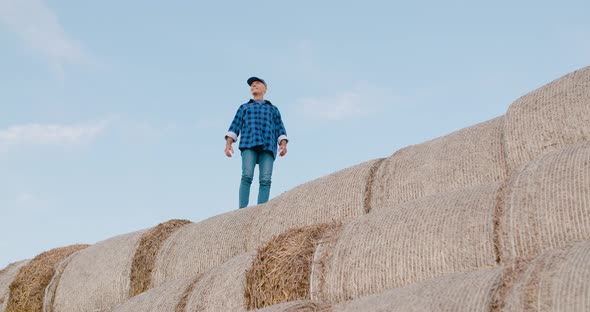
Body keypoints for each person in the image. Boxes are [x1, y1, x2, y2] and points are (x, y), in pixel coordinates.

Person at [225, 77, 289, 208]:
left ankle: (261, 209)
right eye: (252, 85)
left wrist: (283, 144)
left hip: (268, 145)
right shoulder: (244, 107)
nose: (253, 86)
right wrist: (229, 144)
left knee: (265, 179)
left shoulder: (273, 109)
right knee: (247, 176)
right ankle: (242, 209)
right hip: (249, 143)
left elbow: (279, 127)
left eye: (257, 84)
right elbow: (234, 126)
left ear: (265, 89)